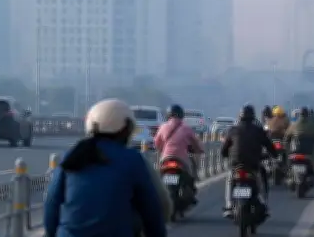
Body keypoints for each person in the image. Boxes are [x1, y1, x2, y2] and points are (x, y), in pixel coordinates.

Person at [44, 98, 168, 237]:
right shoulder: (132, 159)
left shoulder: (72, 156)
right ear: (125, 129)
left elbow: (52, 202)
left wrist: (50, 233)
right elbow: (151, 208)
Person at [220, 104, 276, 218]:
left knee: (230, 179)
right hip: (253, 163)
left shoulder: (233, 130)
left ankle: (229, 205)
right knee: (261, 178)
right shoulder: (258, 130)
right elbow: (269, 145)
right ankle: (263, 201)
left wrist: (226, 155)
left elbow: (224, 149)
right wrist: (274, 155)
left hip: (236, 164)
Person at [155, 104, 204, 201]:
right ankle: (190, 192)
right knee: (190, 175)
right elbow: (196, 144)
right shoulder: (186, 128)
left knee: (158, 177)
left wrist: (163, 149)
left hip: (166, 159)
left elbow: (157, 143)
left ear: (168, 115)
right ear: (181, 115)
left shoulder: (163, 127)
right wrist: (199, 150)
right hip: (181, 159)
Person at [284, 107, 314, 183]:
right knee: (313, 159)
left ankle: (289, 171)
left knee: (289, 157)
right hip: (308, 151)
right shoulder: (312, 124)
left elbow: (287, 136)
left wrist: (286, 142)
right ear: (307, 115)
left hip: (296, 150)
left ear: (300, 114)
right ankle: (312, 172)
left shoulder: (294, 124)